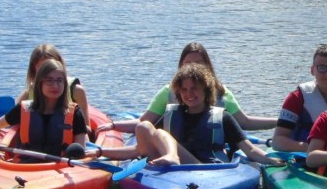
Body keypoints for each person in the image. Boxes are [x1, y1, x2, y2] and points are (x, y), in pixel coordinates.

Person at [110, 62, 278, 167]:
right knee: (145, 127)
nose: (189, 93)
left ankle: (172, 156)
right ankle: (170, 157)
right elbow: (138, 150)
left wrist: (272, 161)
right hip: (175, 174)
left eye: (194, 88)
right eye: (184, 89)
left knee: (159, 132)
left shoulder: (223, 118)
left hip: (207, 169)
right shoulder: (170, 115)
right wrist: (100, 152)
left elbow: (250, 150)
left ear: (206, 90)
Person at [99, 42, 275, 134]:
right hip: (174, 148)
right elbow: (143, 122)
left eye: (199, 63)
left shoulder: (221, 93)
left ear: (207, 66)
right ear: (181, 66)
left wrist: (282, 122)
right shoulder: (168, 92)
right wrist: (113, 126)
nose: (193, 68)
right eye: (188, 63)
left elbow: (244, 123)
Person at [0, 58, 90, 160]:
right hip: (26, 167)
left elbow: (80, 150)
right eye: (49, 80)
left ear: (65, 84)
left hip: (61, 168)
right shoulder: (22, 109)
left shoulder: (75, 114)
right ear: (39, 84)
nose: (55, 85)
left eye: (59, 81)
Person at [270, 43, 327, 152]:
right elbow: (277, 141)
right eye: (322, 68)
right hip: (303, 159)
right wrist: (313, 149)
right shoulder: (296, 98)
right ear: (312, 70)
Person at [18, 43, 90, 123]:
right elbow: (12, 125)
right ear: (34, 70)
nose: (48, 71)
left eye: (51, 66)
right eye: (42, 67)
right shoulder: (27, 95)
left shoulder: (76, 91)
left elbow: (87, 127)